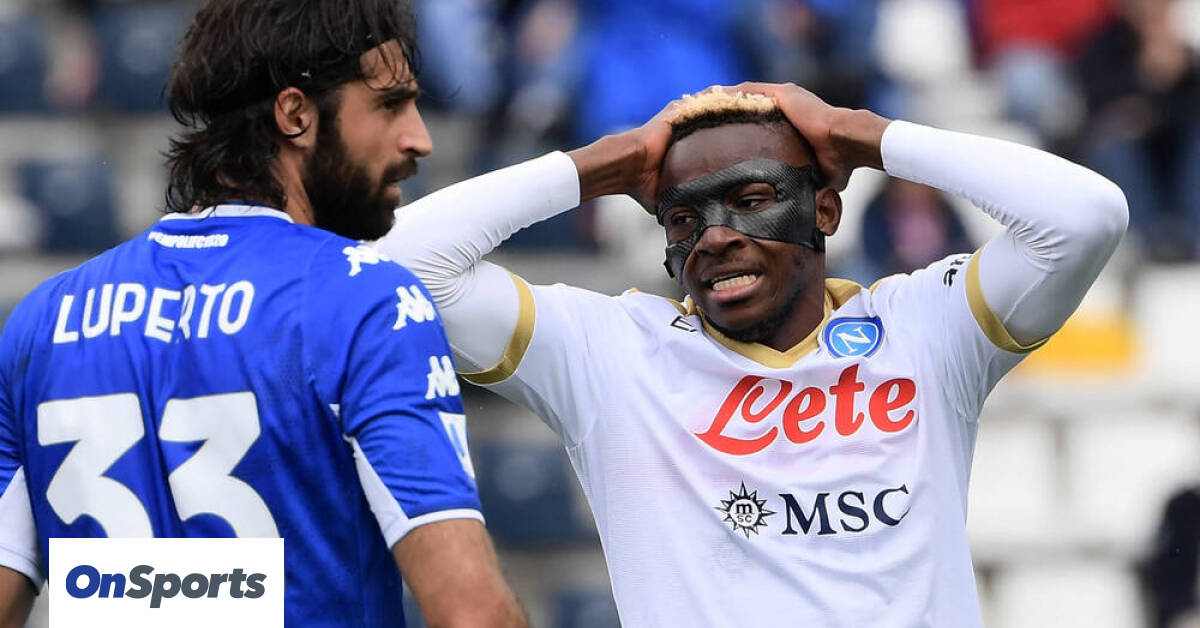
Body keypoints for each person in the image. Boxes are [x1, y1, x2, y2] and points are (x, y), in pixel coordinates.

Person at [375, 84, 1129, 625]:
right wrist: (607, 162)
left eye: (751, 200)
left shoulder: (926, 327)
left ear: (825, 209)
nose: (714, 236)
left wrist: (862, 135)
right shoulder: (610, 355)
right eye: (683, 218)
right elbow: (392, 263)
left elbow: (1086, 216)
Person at [0, 1, 526, 626]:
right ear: (295, 114)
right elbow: (473, 615)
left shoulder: (42, 320)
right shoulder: (364, 299)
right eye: (390, 105)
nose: (420, 139)